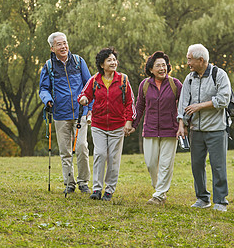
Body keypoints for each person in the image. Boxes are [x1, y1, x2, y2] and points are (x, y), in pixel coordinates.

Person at [176, 44, 232, 212]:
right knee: (197, 165)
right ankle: (202, 198)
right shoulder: (190, 78)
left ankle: (221, 201)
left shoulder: (219, 75)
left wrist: (200, 106)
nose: (188, 63)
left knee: (218, 165)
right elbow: (183, 103)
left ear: (201, 60)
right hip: (196, 130)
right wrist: (182, 125)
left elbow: (223, 100)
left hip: (216, 129)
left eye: (189, 59)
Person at [78, 47, 135, 201]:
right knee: (100, 154)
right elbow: (84, 94)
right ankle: (97, 189)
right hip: (98, 125)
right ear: (102, 64)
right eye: (109, 60)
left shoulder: (123, 79)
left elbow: (130, 102)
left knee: (113, 158)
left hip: (117, 125)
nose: (113, 62)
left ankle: (109, 190)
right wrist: (83, 100)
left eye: (114, 60)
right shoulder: (94, 80)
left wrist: (129, 121)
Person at [39, 32, 92, 194]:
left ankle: (83, 182)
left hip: (80, 112)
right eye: (59, 44)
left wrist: (90, 109)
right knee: (65, 151)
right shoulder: (48, 66)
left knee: (82, 147)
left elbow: (89, 85)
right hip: (60, 114)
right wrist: (47, 99)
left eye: (65, 43)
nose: (63, 46)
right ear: (52, 48)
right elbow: (43, 89)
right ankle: (69, 183)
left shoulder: (78, 61)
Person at [129, 51, 183, 205]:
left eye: (164, 65)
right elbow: (139, 106)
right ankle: (159, 188)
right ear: (151, 69)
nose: (162, 68)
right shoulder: (145, 85)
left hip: (170, 129)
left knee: (166, 163)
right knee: (151, 163)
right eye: (158, 65)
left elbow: (184, 103)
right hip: (150, 129)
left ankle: (159, 195)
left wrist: (182, 124)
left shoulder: (175, 84)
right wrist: (134, 124)